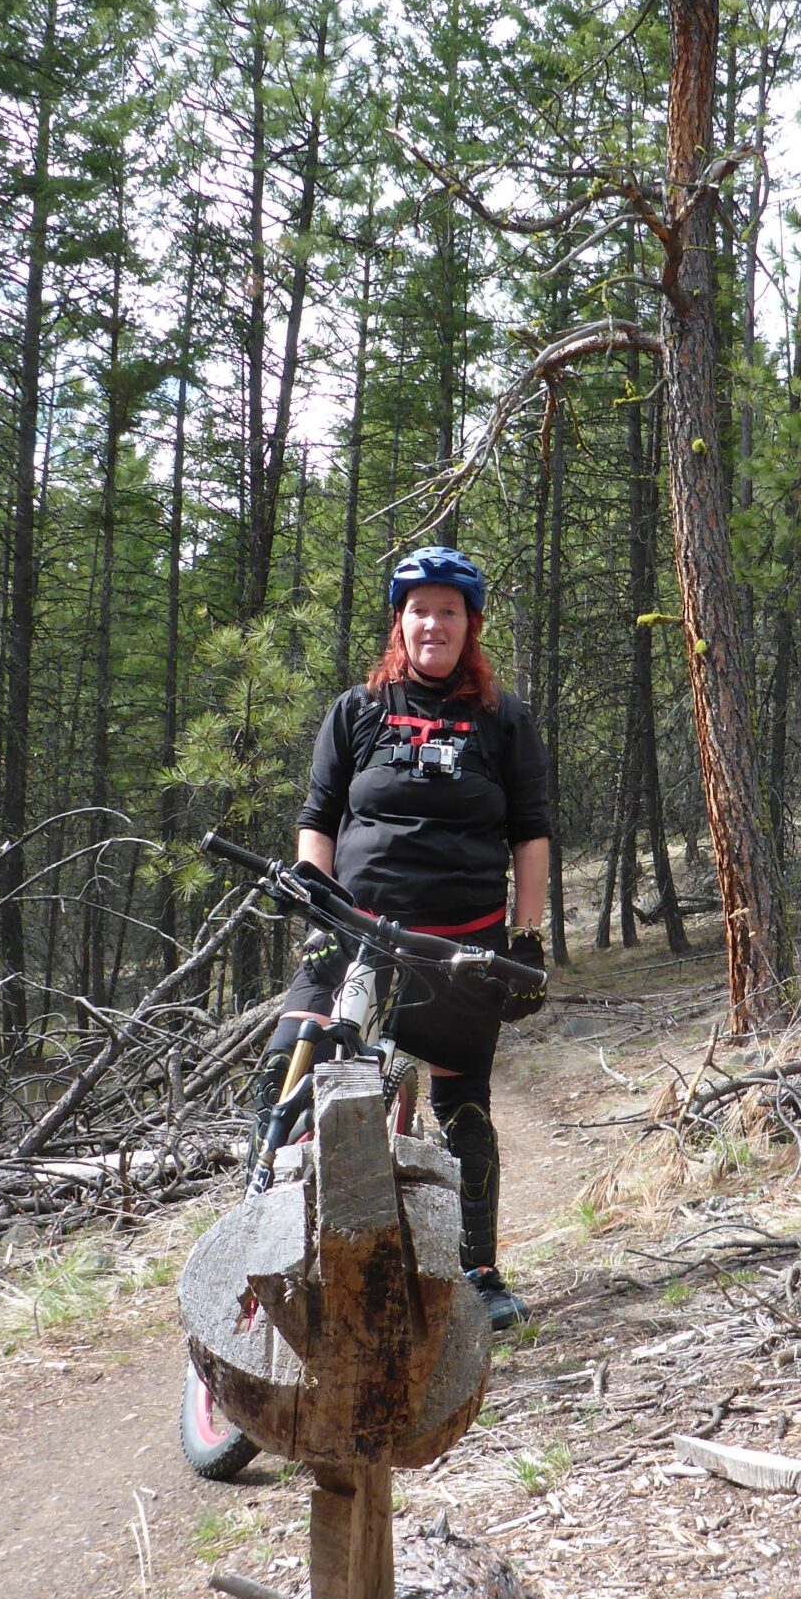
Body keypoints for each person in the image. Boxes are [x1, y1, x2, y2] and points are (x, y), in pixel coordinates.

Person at [263, 545, 551, 1333]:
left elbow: (530, 834)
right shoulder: (358, 710)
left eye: (449, 612)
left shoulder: (503, 719)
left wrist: (525, 940)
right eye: (420, 610)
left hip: (457, 944)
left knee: (463, 1104)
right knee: (290, 1077)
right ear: (402, 622)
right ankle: (271, 1236)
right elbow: (318, 819)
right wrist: (316, 899)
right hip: (353, 931)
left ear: (470, 626)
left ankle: (477, 1270)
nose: (434, 624)